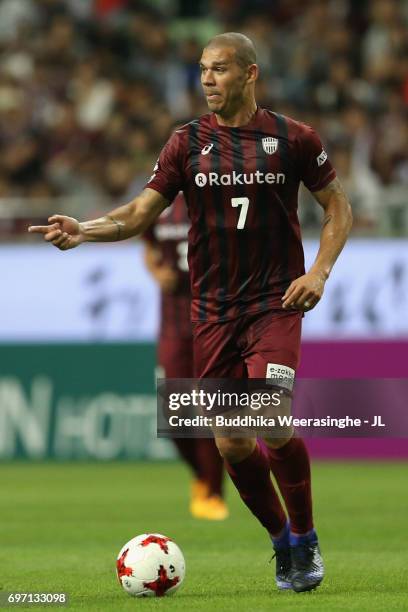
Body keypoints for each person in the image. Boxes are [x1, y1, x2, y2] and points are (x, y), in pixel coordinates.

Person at [29, 32, 352, 593]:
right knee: (230, 440)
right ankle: (280, 540)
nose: (206, 79)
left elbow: (338, 207)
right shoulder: (186, 143)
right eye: (203, 69)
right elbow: (136, 215)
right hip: (213, 312)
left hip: (276, 302)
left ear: (250, 75)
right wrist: (85, 228)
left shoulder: (293, 138)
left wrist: (318, 271)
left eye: (220, 69)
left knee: (269, 422)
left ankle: (306, 538)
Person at [143, 190, 227, 520]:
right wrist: (155, 272)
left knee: (211, 409)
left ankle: (213, 492)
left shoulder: (217, 199)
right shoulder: (160, 203)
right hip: (172, 323)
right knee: (174, 414)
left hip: (212, 318)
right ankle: (202, 476)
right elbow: (149, 248)